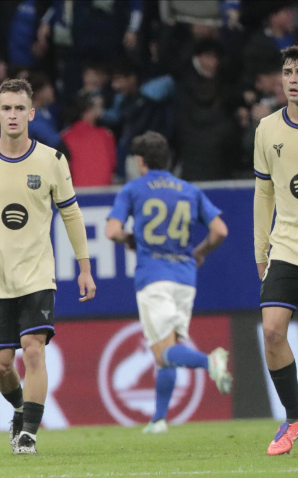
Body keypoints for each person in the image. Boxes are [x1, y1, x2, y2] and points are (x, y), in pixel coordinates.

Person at [0, 78, 96, 454]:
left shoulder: (52, 160)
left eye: (21, 108)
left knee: (33, 349)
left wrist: (84, 266)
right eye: (7, 108)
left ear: (31, 113)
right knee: (2, 366)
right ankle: (19, 408)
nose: (14, 115)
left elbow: (72, 215)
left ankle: (29, 434)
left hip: (37, 273)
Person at [104, 131, 233, 434]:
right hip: (186, 278)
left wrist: (130, 238)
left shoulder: (133, 189)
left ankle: (208, 362)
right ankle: (159, 420)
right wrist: (200, 252)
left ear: (140, 161)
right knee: (168, 349)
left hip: (154, 276)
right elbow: (220, 231)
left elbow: (111, 231)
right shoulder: (188, 190)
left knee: (163, 351)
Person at [253, 45, 298, 456]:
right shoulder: (267, 129)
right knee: (272, 330)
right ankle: (296, 416)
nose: (292, 79)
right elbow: (263, 192)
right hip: (286, 248)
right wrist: (260, 247)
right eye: (287, 71)